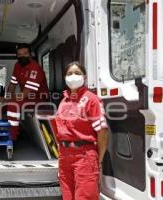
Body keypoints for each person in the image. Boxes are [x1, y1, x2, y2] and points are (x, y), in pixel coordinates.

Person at [54, 61, 108, 200]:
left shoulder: (92, 99)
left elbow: (102, 132)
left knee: (85, 197)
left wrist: (98, 160)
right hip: (64, 156)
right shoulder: (64, 101)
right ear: (65, 78)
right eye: (69, 73)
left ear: (84, 76)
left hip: (84, 156)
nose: (73, 76)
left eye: (77, 73)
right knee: (67, 196)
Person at [3, 43, 49, 140]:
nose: (22, 56)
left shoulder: (35, 68)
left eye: (25, 53)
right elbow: (12, 84)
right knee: (6, 103)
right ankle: (8, 129)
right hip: (27, 98)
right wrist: (6, 97)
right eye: (19, 54)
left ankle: (12, 137)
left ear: (30, 54)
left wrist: (9, 100)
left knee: (13, 104)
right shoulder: (17, 65)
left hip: (39, 99)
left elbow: (27, 93)